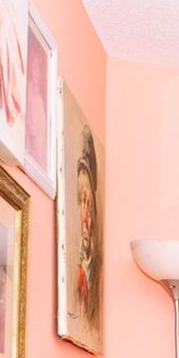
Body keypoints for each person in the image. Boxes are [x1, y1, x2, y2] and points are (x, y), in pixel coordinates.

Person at [71, 127, 100, 334]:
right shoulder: (79, 262)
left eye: (88, 202)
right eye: (81, 201)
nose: (85, 213)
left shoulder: (95, 263)